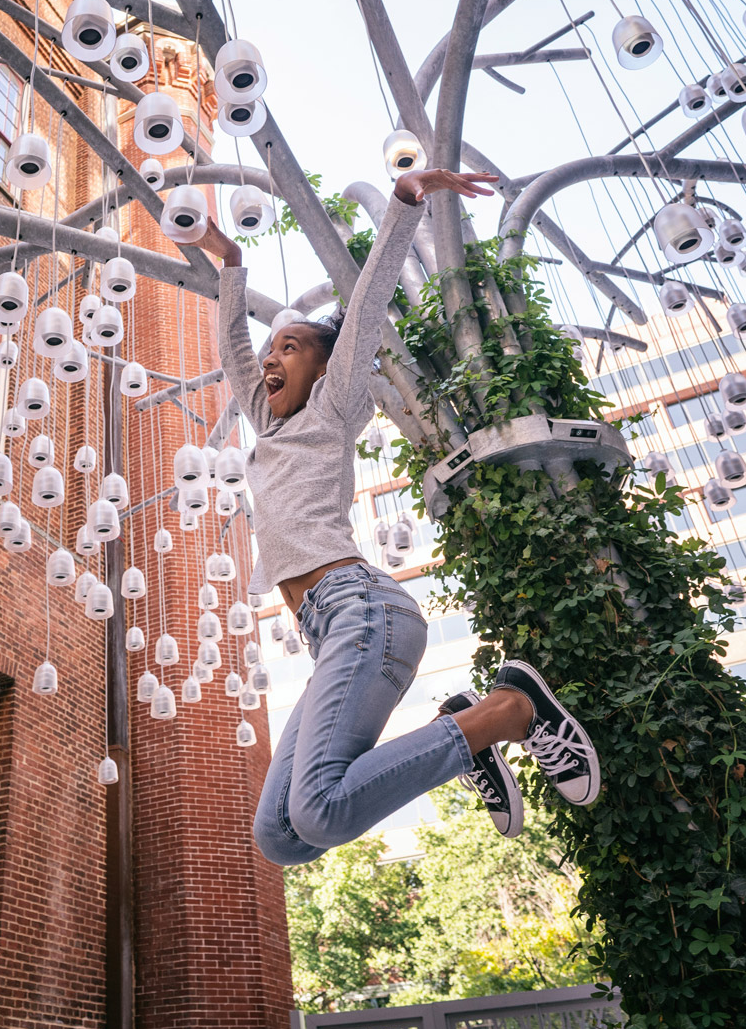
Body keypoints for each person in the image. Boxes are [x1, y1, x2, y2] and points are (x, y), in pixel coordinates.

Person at [186, 168, 601, 866]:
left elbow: (371, 300)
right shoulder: (268, 423)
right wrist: (229, 262)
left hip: (361, 612)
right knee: (282, 836)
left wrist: (407, 201)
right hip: (331, 633)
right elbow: (235, 352)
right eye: (269, 353)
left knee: (318, 806)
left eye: (289, 347)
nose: (270, 359)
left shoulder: (332, 404)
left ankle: (510, 710)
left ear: (324, 369)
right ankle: (460, 730)